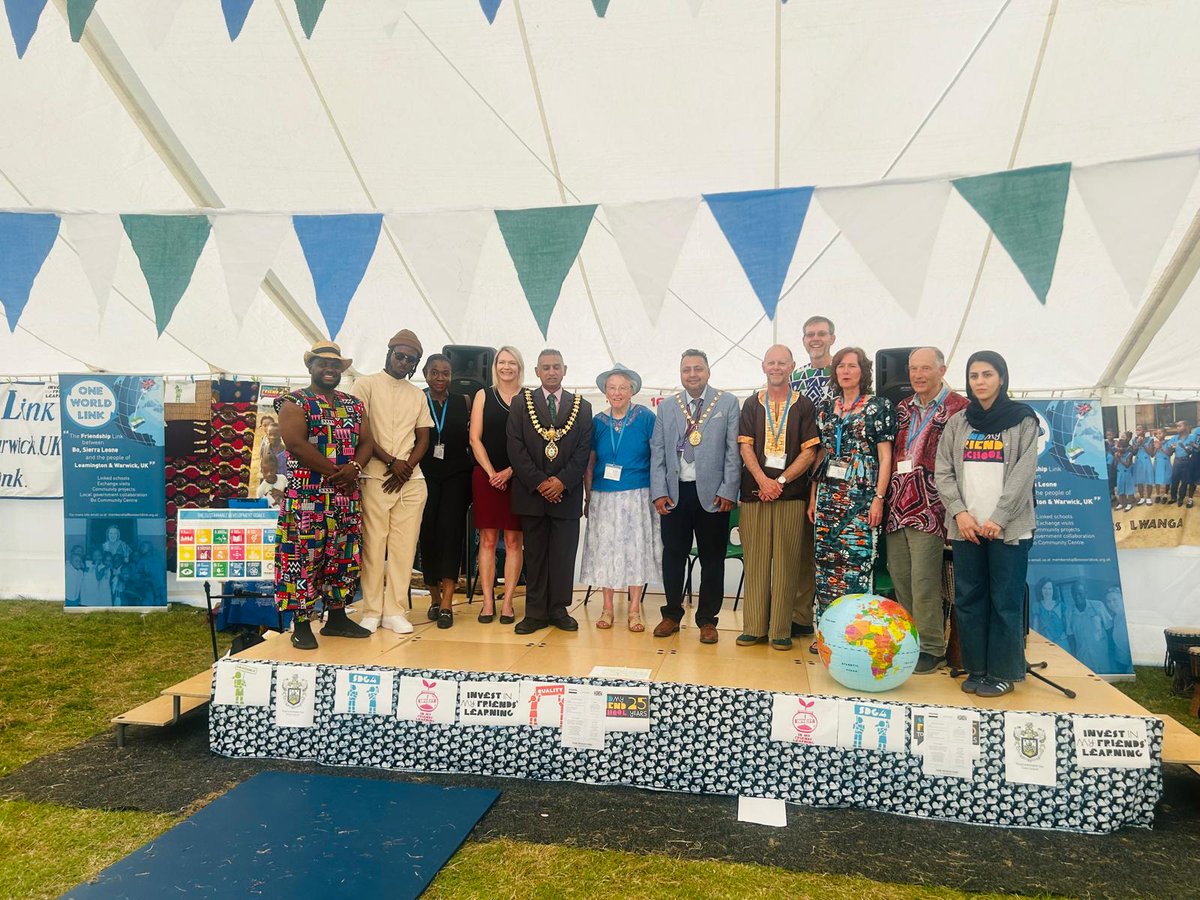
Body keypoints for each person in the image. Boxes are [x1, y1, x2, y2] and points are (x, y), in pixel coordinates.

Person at [935, 350, 1038, 698]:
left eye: (987, 375)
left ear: (1002, 378)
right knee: (969, 600)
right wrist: (960, 513)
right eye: (975, 375)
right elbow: (943, 471)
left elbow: (1024, 473)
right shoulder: (958, 422)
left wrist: (1000, 517)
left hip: (1007, 530)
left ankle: (1003, 672)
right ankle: (977, 667)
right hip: (966, 529)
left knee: (1004, 603)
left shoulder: (1023, 420)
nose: (980, 382)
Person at [274, 341, 375, 649]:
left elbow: (367, 442)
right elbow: (296, 444)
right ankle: (301, 623)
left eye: (335, 365)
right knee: (303, 557)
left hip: (345, 497)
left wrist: (355, 466)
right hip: (308, 497)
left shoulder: (353, 404)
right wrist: (337, 473)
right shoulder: (293, 401)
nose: (330, 369)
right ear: (311, 367)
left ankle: (337, 617)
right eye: (323, 364)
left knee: (343, 556)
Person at [883, 347, 969, 674]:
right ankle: (909, 641)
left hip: (933, 508)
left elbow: (964, 463)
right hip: (897, 505)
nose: (918, 375)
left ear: (942, 369)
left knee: (924, 581)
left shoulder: (960, 409)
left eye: (925, 369)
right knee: (901, 577)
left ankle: (932, 647)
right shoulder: (902, 408)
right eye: (913, 369)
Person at [649, 349, 741, 644]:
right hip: (675, 493)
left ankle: (707, 620)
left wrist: (728, 490)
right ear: (680, 373)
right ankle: (671, 614)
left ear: (708, 372)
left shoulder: (727, 403)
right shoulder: (667, 407)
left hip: (713, 495)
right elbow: (658, 451)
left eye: (698, 369)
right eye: (687, 369)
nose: (692, 374)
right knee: (673, 555)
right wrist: (659, 491)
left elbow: (733, 451)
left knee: (713, 559)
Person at [736, 345, 820, 650]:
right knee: (756, 561)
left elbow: (810, 452)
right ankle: (754, 627)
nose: (776, 367)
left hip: (791, 495)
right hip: (755, 493)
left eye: (782, 363)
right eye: (771, 362)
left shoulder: (804, 405)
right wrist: (763, 480)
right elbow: (746, 447)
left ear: (792, 366)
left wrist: (780, 481)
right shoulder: (751, 404)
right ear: (763, 366)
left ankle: (781, 630)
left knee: (787, 564)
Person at [809, 347, 896, 639]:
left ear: (863, 371)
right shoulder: (825, 407)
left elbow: (886, 457)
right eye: (841, 366)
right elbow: (821, 454)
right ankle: (827, 634)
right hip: (828, 496)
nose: (846, 371)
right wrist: (813, 497)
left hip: (862, 497)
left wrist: (879, 499)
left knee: (856, 563)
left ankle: (855, 634)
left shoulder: (878, 406)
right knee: (825, 565)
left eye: (852, 366)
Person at [351, 330, 434, 634]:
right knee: (374, 546)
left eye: (410, 360)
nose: (403, 362)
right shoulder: (366, 384)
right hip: (376, 475)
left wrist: (407, 467)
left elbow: (424, 435)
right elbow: (363, 432)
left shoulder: (416, 393)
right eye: (399, 356)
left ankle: (395, 610)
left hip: (411, 481)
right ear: (388, 353)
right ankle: (372, 610)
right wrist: (391, 462)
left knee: (404, 548)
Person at [507, 349, 594, 634]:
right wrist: (541, 483)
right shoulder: (521, 403)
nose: (552, 371)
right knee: (534, 554)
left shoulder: (582, 406)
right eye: (546, 367)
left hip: (566, 495)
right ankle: (534, 612)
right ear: (536, 371)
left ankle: (558, 609)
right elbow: (515, 448)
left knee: (563, 554)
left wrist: (561, 482)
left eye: (556, 366)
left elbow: (583, 451)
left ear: (565, 369)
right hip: (531, 494)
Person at [580, 365, 660, 632]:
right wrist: (588, 496)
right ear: (605, 391)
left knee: (635, 550)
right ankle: (607, 608)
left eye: (622, 387)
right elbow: (590, 461)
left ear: (632, 391)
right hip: (604, 495)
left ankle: (635, 610)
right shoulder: (597, 422)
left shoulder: (646, 417)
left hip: (637, 494)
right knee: (606, 551)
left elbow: (657, 456)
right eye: (612, 387)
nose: (617, 392)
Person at [788, 315, 837, 638]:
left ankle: (836, 622)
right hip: (798, 473)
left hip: (837, 477)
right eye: (809, 334)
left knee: (834, 552)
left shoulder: (847, 371)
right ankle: (802, 617)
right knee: (802, 551)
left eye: (821, 334)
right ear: (803, 340)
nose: (815, 339)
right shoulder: (795, 378)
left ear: (832, 337)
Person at [469, 346, 525, 625]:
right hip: (486, 476)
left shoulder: (529, 398)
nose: (506, 367)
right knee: (488, 540)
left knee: (514, 541)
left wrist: (510, 472)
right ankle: (488, 601)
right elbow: (474, 439)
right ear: (495, 366)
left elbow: (533, 444)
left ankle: (508, 602)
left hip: (519, 478)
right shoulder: (483, 395)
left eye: (512, 362)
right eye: (502, 362)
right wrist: (492, 472)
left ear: (520, 366)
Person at [417, 354, 473, 629]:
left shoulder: (464, 401)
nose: (440, 378)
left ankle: (449, 602)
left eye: (446, 373)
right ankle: (434, 597)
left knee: (451, 532)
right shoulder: (417, 399)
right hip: (424, 474)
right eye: (435, 373)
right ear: (426, 373)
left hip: (456, 474)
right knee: (428, 532)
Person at [1031, 577, 1070, 649]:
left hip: (1062, 643)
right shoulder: (1037, 606)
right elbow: (1035, 628)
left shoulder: (1061, 605)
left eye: (1050, 589)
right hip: (1046, 644)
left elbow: (1068, 626)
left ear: (1053, 590)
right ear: (1040, 590)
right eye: (1044, 588)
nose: (1047, 591)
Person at [1131, 425, 1154, 506]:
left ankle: (1148, 497)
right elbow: (1134, 453)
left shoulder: (1150, 439)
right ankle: (1141, 497)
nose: (1137, 431)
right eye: (1136, 430)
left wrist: (1143, 443)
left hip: (1146, 461)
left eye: (1139, 430)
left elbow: (1151, 453)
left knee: (1149, 480)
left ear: (1144, 431)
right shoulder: (1134, 440)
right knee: (1139, 480)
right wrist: (1137, 444)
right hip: (1138, 461)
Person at [1114, 438, 1135, 512]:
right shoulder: (1117, 454)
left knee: (1128, 489)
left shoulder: (1129, 454)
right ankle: (1122, 503)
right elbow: (1115, 465)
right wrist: (1116, 458)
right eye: (1119, 446)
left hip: (1127, 473)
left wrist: (1119, 458)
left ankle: (1130, 503)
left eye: (1122, 447)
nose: (1120, 448)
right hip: (1120, 473)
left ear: (1126, 448)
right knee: (1120, 488)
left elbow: (1127, 465)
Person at [1153, 430, 1172, 503]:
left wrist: (1161, 447)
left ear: (1165, 434)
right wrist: (1156, 447)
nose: (1158, 435)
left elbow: (1169, 453)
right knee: (1157, 479)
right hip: (1157, 462)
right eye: (1157, 434)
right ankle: (1158, 494)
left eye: (1160, 433)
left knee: (1167, 478)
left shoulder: (1168, 442)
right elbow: (1153, 454)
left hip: (1165, 462)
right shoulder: (1155, 443)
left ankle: (1165, 495)